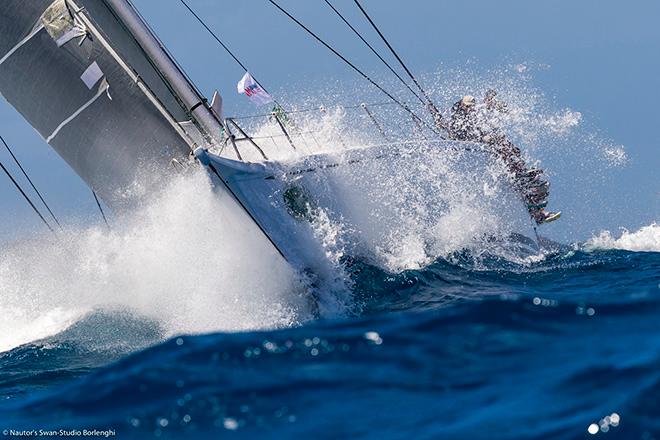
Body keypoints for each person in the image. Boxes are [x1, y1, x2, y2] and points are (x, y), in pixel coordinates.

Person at [448, 91, 560, 225]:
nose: (470, 109)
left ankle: (538, 210)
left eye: (471, 107)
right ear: (463, 105)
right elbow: (462, 132)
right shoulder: (459, 115)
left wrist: (493, 103)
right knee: (496, 141)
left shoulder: (474, 114)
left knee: (540, 184)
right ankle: (537, 210)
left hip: (485, 147)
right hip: (474, 147)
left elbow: (485, 113)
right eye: (467, 107)